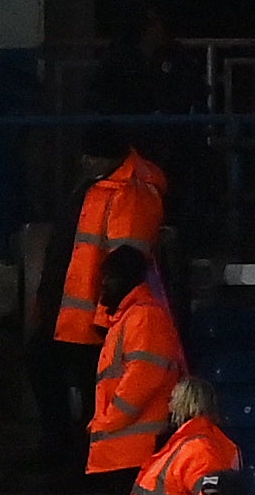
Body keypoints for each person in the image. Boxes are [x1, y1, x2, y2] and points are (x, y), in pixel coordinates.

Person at [49, 145, 167, 458]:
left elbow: (123, 261)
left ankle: (84, 458)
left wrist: (105, 315)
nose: (85, 159)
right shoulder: (99, 188)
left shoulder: (130, 194)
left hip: (101, 317)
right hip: (87, 316)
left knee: (94, 390)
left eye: (93, 153)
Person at [79, 243, 184, 495]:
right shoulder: (130, 318)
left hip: (135, 450)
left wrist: (107, 420)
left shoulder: (144, 317)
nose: (103, 286)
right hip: (124, 448)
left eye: (109, 278)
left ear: (126, 280)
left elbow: (143, 377)